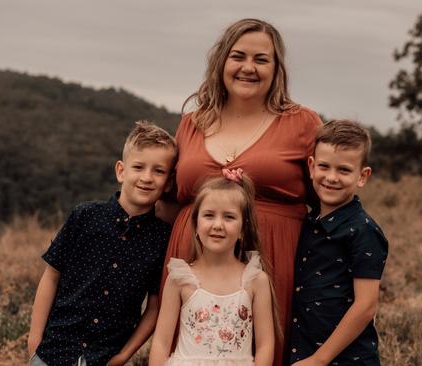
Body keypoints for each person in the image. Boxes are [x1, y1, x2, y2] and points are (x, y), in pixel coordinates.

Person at [159, 18, 322, 365]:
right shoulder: (192, 122)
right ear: (222, 62)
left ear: (276, 68)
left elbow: (327, 199)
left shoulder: (303, 123)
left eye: (261, 59)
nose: (248, 67)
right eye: (238, 56)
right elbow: (168, 200)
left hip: (276, 258)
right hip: (196, 256)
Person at [27, 121, 177, 366]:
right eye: (138, 167)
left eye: (159, 171)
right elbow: (51, 276)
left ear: (168, 182)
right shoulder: (84, 216)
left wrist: (123, 355)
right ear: (121, 171)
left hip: (105, 358)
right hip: (53, 351)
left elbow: (154, 307)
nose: (147, 178)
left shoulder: (162, 238)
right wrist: (35, 340)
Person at [150, 172, 279, 366]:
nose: (218, 225)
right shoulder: (180, 279)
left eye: (229, 217)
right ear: (195, 225)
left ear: (243, 229)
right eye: (209, 215)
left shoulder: (255, 280)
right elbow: (161, 343)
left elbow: (265, 344)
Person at [289, 120, 389, 365]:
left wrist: (320, 359)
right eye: (324, 166)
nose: (331, 177)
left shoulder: (363, 230)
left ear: (362, 176)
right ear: (311, 167)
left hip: (345, 358)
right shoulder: (307, 221)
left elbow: (366, 305)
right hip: (303, 347)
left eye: (344, 170)